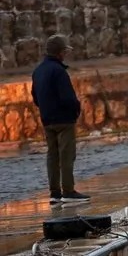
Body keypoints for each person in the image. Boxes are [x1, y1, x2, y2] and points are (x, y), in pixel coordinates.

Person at [31, 35, 90, 203]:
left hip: (47, 119)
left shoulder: (38, 71)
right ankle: (68, 191)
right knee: (66, 155)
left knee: (52, 155)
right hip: (64, 119)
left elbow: (35, 96)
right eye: (65, 51)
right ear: (61, 52)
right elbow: (67, 97)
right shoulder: (59, 71)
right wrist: (76, 110)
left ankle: (54, 192)